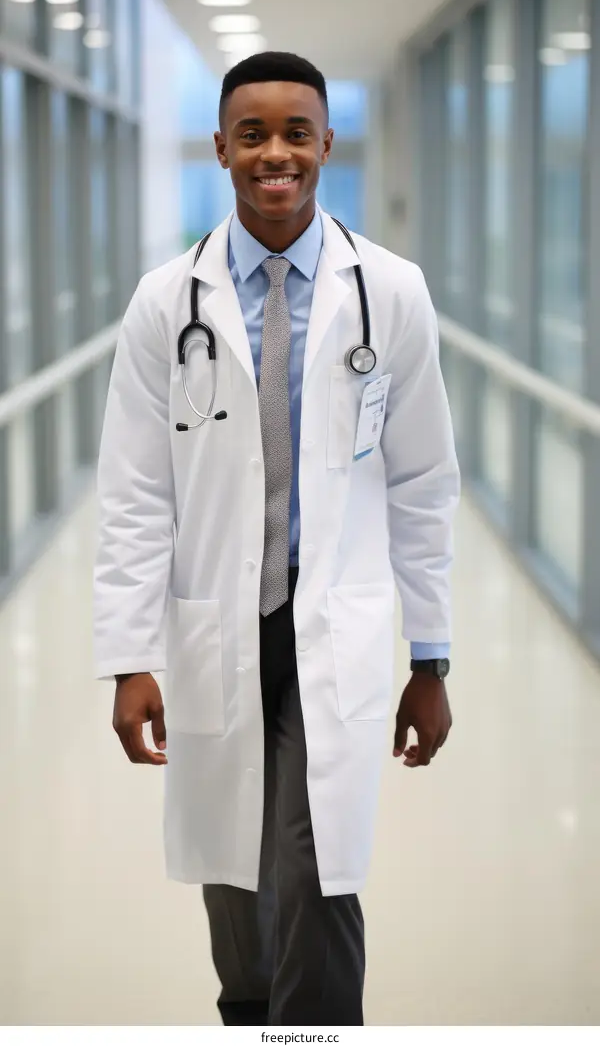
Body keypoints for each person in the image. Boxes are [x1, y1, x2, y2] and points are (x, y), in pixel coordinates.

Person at [93, 52, 460, 1027]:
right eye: (251, 133)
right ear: (221, 148)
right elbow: (134, 492)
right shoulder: (166, 303)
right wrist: (128, 655)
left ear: (327, 144)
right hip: (220, 616)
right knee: (235, 870)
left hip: (331, 620)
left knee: (316, 864)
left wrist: (432, 655)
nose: (275, 153)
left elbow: (425, 484)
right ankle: (250, 1013)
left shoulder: (392, 292)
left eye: (296, 131)